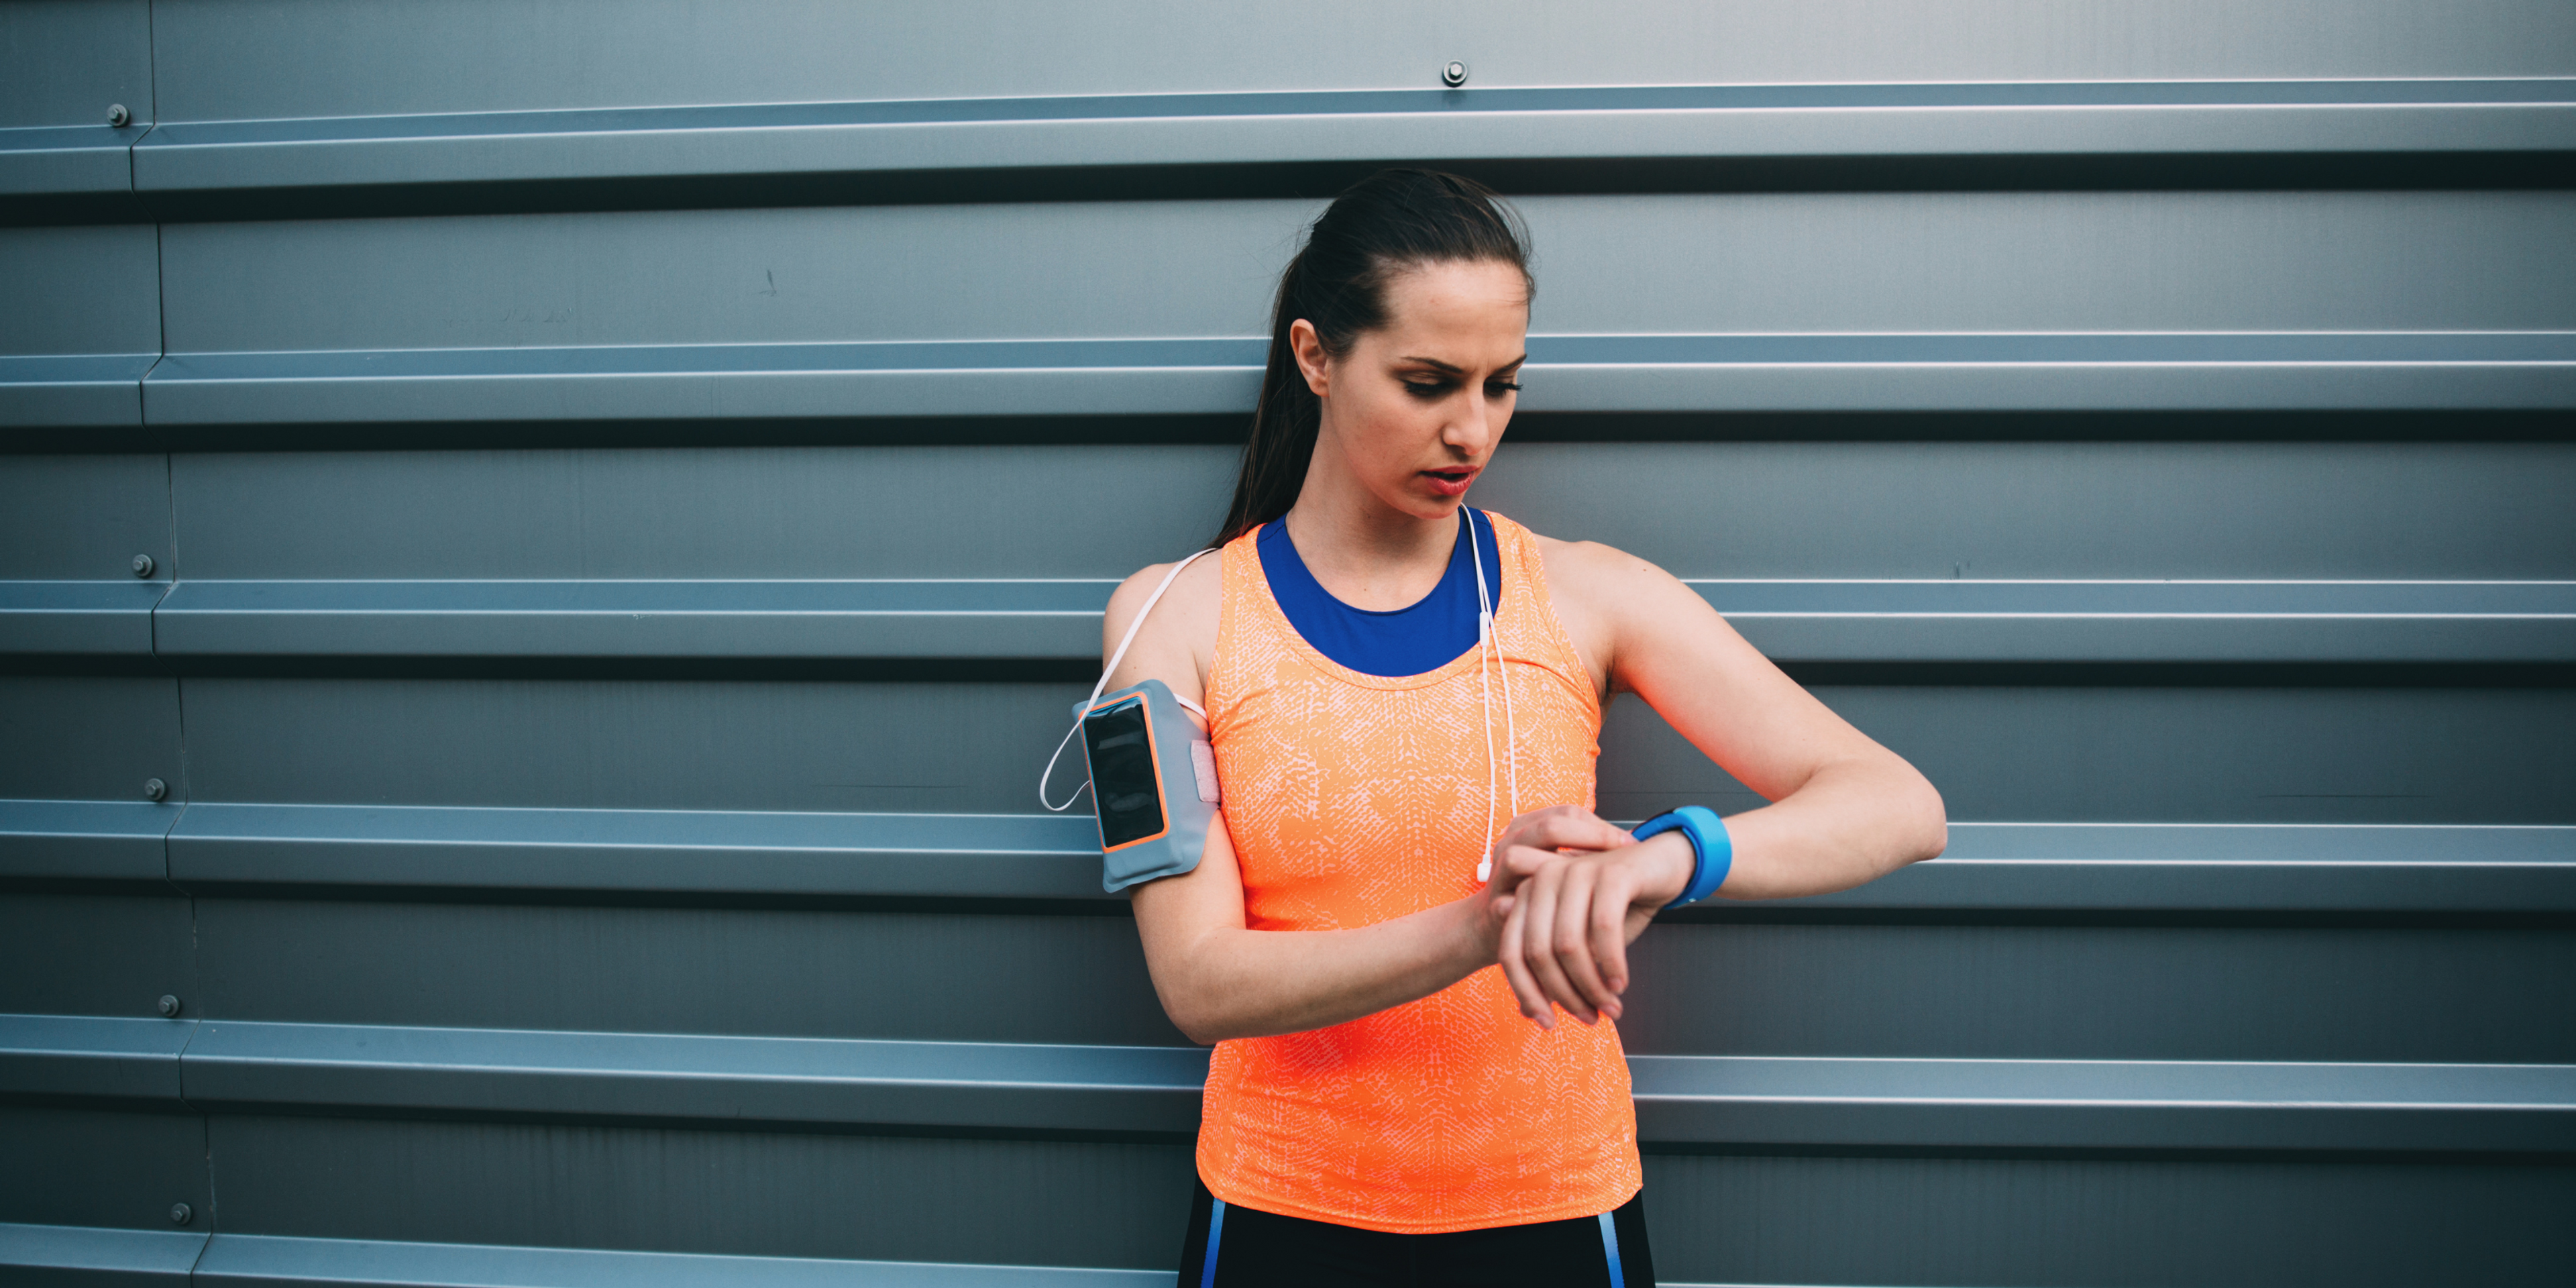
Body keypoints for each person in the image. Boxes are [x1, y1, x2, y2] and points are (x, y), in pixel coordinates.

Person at [1097, 169, 1947, 1287]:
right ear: (1315, 356)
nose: (1472, 429)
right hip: (1280, 1211)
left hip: (1553, 1213)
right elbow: (1199, 985)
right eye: (1427, 382)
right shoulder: (1176, 616)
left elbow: (1900, 805)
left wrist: (1663, 862)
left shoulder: (1588, 598)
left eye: (1503, 385)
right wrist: (1492, 926)